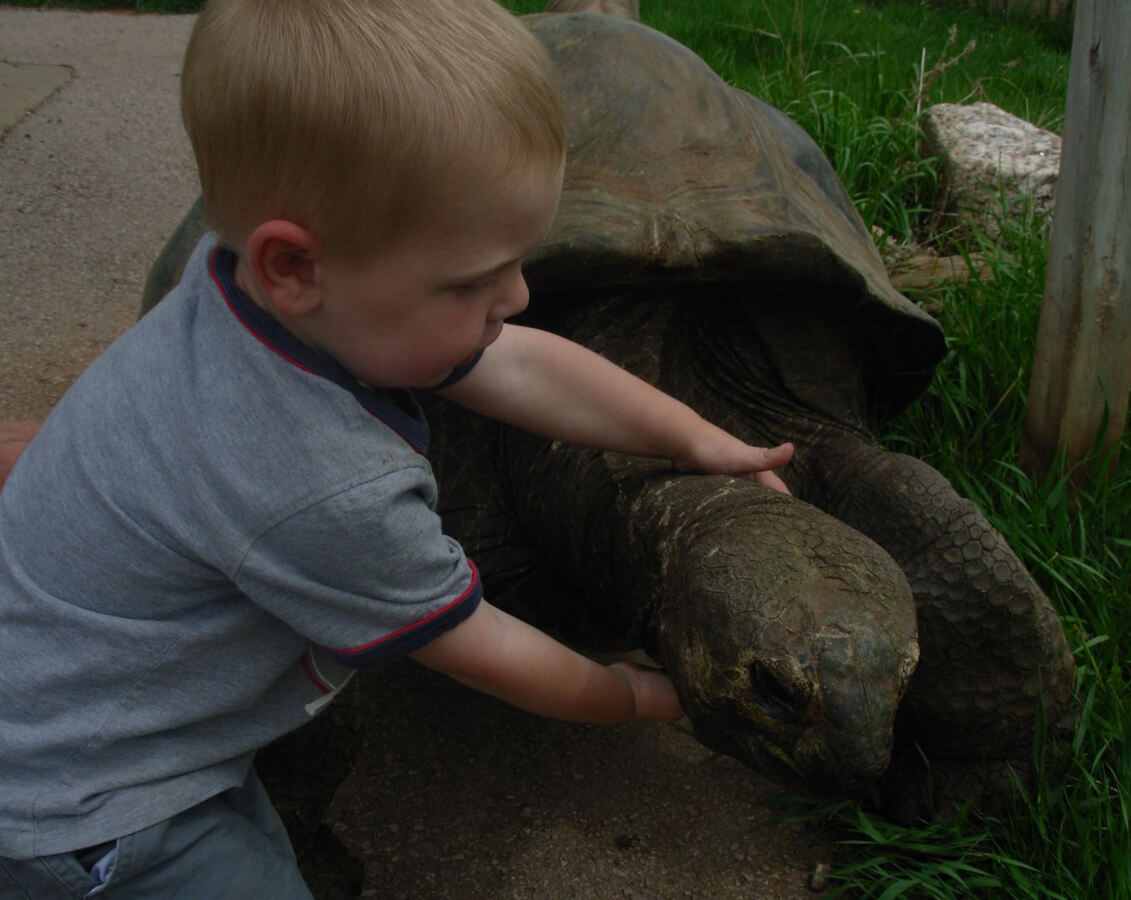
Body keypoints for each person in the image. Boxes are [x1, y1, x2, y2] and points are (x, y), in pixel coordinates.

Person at [0, 0, 793, 896]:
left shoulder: (240, 282)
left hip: (54, 691)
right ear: (293, 266)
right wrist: (633, 697)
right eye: (474, 281)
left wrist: (693, 435)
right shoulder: (321, 483)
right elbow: (478, 642)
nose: (521, 296)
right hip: (90, 805)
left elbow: (522, 368)